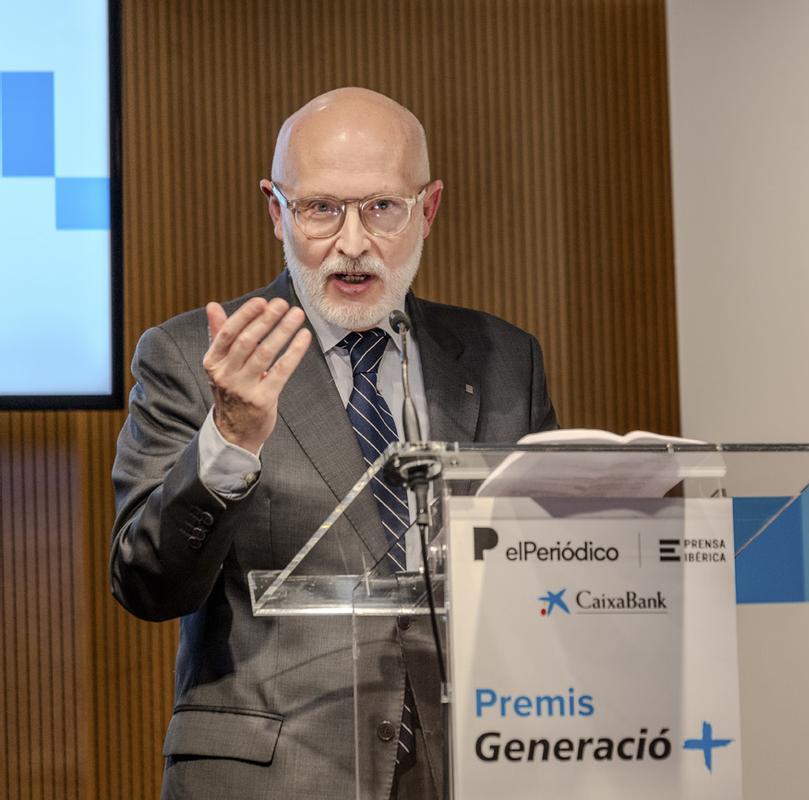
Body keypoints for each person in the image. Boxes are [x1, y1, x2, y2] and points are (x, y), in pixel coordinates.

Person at [110, 87, 557, 799]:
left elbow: (544, 572)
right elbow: (146, 584)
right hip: (272, 776)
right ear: (276, 211)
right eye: (321, 208)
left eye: (383, 208)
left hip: (469, 769)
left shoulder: (504, 359)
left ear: (429, 209)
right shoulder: (191, 355)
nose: (352, 244)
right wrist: (228, 439)